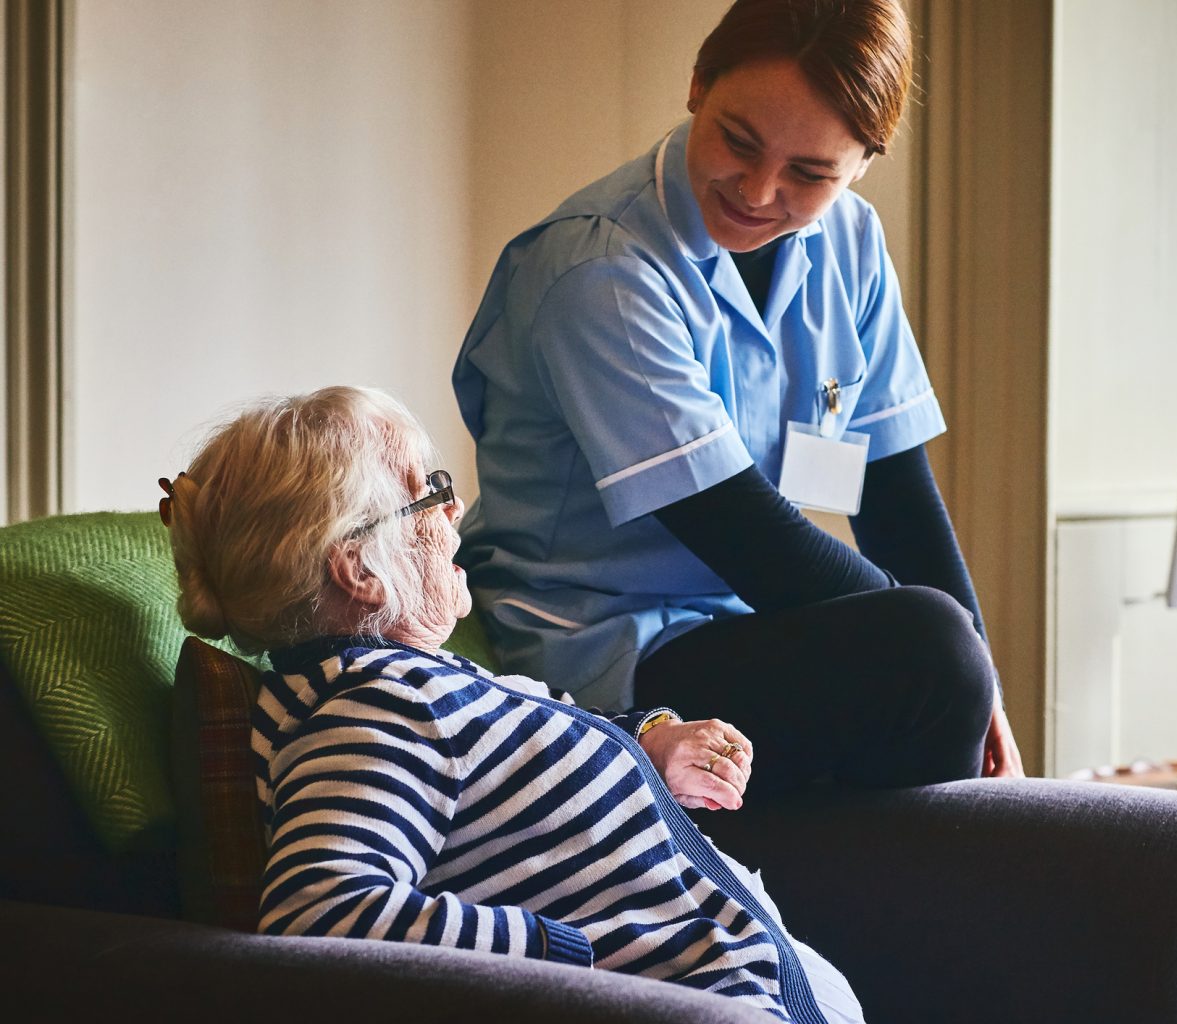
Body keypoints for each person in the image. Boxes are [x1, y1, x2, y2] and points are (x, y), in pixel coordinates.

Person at [452, 0, 1023, 793]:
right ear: (697, 86)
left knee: (944, 655)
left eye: (809, 173)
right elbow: (745, 536)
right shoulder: (600, 269)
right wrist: (948, 655)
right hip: (604, 655)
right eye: (738, 142)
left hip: (742, 626)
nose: (757, 191)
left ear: (863, 162)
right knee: (929, 654)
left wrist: (982, 676)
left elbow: (895, 493)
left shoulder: (851, 243)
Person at [161, 386, 863, 1024]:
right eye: (429, 489)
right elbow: (319, 912)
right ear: (359, 568)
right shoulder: (379, 706)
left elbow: (514, 765)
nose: (455, 506)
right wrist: (553, 947)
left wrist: (646, 745)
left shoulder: (424, 688)